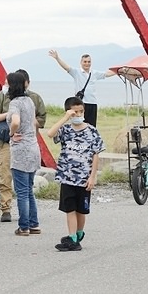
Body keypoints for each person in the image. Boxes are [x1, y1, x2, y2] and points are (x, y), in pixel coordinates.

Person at [45, 97, 103, 251]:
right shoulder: (65, 130)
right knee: (69, 208)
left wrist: (93, 176)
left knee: (81, 209)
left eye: (81, 111)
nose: (78, 115)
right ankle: (72, 238)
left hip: (84, 178)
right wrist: (65, 118)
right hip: (67, 176)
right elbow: (50, 133)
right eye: (75, 112)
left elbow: (96, 154)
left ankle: (78, 233)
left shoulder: (91, 131)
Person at [0, 69, 47, 222]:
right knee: (6, 176)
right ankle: (8, 209)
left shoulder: (32, 98)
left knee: (23, 188)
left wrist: (16, 126)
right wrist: (11, 115)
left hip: (21, 142)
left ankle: (24, 224)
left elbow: (40, 119)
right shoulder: (6, 97)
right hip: (9, 143)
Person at [7, 70, 41, 236]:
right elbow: (33, 122)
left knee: (21, 191)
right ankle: (34, 224)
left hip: (21, 149)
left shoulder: (14, 103)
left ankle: (24, 226)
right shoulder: (29, 100)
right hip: (33, 147)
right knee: (28, 189)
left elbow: (15, 121)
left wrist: (11, 133)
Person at [48, 50, 116, 127]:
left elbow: (107, 74)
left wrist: (119, 70)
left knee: (91, 126)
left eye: (89, 62)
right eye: (85, 61)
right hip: (81, 103)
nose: (87, 63)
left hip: (92, 103)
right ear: (81, 62)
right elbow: (66, 67)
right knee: (79, 124)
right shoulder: (76, 72)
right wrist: (57, 58)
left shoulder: (94, 73)